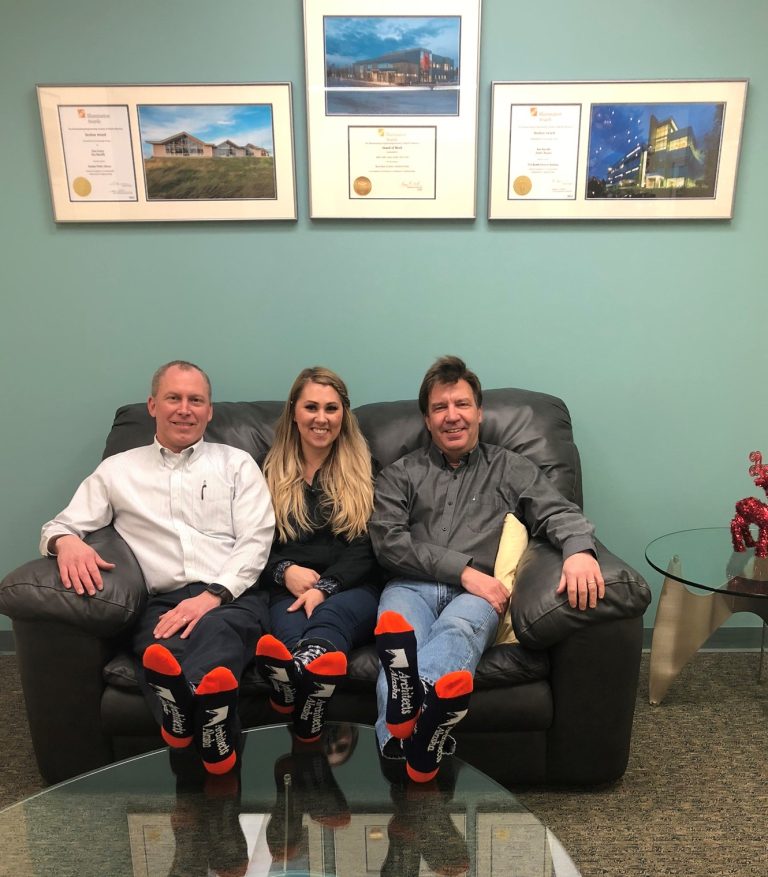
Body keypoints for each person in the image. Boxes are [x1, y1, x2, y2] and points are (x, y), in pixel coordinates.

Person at [369, 356, 605, 783]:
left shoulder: (511, 468)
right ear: (427, 418)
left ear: (479, 412)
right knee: (397, 641)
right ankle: (422, 736)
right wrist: (463, 570)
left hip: (476, 598)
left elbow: (557, 513)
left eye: (461, 404)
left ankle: (400, 746)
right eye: (440, 407)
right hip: (412, 586)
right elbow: (388, 542)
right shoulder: (400, 473)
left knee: (451, 635)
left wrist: (578, 551)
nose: (452, 416)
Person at [40, 360, 275, 775]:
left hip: (232, 595)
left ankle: (181, 716)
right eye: (174, 398)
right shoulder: (118, 470)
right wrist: (67, 543)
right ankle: (217, 743)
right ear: (153, 405)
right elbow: (59, 525)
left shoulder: (237, 464)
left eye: (195, 400)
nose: (184, 409)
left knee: (219, 634)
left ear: (209, 411)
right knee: (159, 650)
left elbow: (257, 538)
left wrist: (212, 596)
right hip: (161, 601)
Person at [254, 367, 381, 743]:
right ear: (294, 411)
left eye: (332, 408)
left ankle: (299, 677)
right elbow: (251, 541)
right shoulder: (265, 469)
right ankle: (307, 692)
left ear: (344, 414)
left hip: (353, 587)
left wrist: (325, 586)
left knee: (329, 615)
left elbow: (370, 546)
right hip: (287, 588)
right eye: (311, 407)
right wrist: (285, 572)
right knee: (290, 627)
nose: (321, 419)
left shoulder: (366, 468)